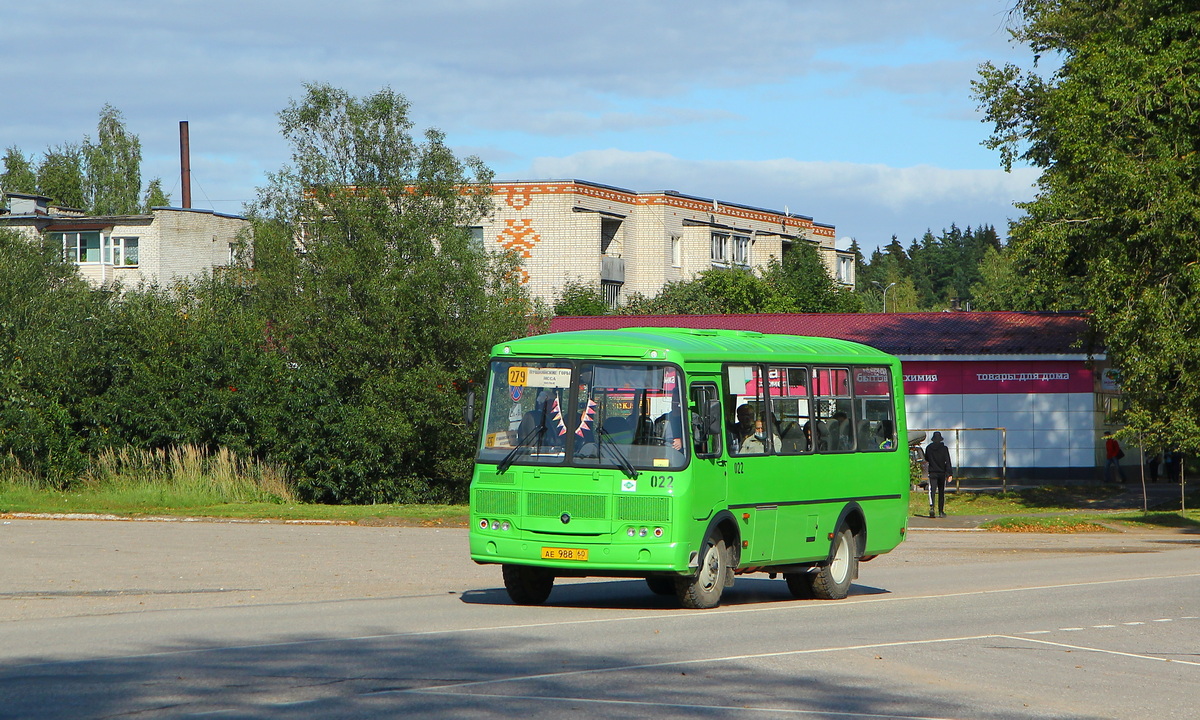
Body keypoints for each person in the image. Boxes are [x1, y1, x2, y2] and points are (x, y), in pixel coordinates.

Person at [924, 431, 953, 518]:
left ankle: (932, 507)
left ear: (933, 439)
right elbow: (948, 461)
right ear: (940, 439)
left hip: (932, 472)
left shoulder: (928, 448)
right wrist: (949, 474)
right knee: (941, 492)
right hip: (942, 473)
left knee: (932, 491)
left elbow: (927, 459)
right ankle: (941, 511)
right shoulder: (944, 449)